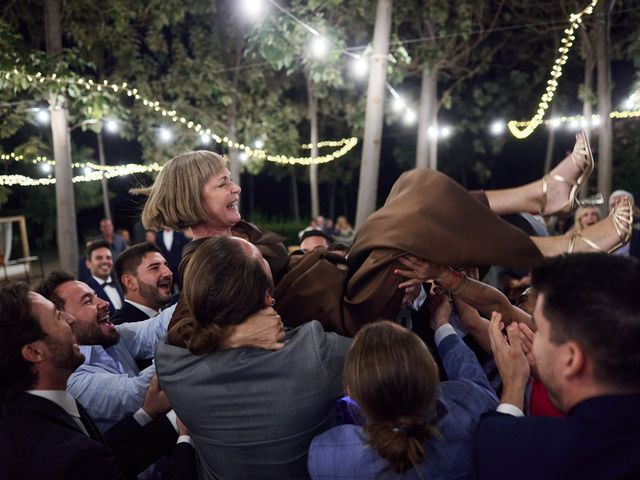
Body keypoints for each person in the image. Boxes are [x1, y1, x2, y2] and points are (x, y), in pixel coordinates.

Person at [137, 136, 632, 336]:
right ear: (190, 197)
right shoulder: (201, 260)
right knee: (406, 217)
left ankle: (539, 196)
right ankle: (557, 241)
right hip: (340, 315)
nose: (237, 186)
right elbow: (187, 328)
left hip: (343, 281)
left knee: (413, 185)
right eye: (223, 182)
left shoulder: (233, 232)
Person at [155, 236, 351, 479]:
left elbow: (180, 330)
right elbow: (397, 358)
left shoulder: (172, 365)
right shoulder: (315, 352)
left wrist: (229, 336)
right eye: (269, 289)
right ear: (267, 299)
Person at [36, 271, 284, 432]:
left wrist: (210, 280)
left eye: (97, 296)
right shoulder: (75, 381)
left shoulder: (110, 337)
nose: (104, 304)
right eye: (88, 301)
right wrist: (226, 336)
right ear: (64, 318)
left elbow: (158, 326)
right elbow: (141, 392)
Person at [0, 282, 197, 480]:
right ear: (34, 352)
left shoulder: (34, 409)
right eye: (57, 316)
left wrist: (149, 415)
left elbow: (109, 454)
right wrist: (185, 440)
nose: (70, 320)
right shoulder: (55, 451)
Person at [473, 253, 640, 479]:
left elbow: (498, 452)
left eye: (539, 329)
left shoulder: (518, 450)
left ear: (571, 359)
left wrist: (513, 384)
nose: (533, 339)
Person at [308, 292, 498, 479]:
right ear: (433, 371)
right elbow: (473, 378)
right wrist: (442, 324)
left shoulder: (327, 458)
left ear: (350, 392)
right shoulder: (472, 412)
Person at [112, 242, 174, 325]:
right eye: (155, 268)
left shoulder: (172, 315)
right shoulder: (120, 328)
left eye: (166, 266)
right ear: (130, 282)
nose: (169, 273)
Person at [84, 240, 124, 316]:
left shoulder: (122, 284)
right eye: (99, 258)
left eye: (108, 258)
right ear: (88, 264)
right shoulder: (86, 291)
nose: (105, 261)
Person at [608, 189, 640, 258]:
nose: (618, 208)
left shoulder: (638, 236)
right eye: (613, 205)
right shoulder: (599, 234)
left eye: (624, 204)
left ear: (633, 209)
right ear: (609, 210)